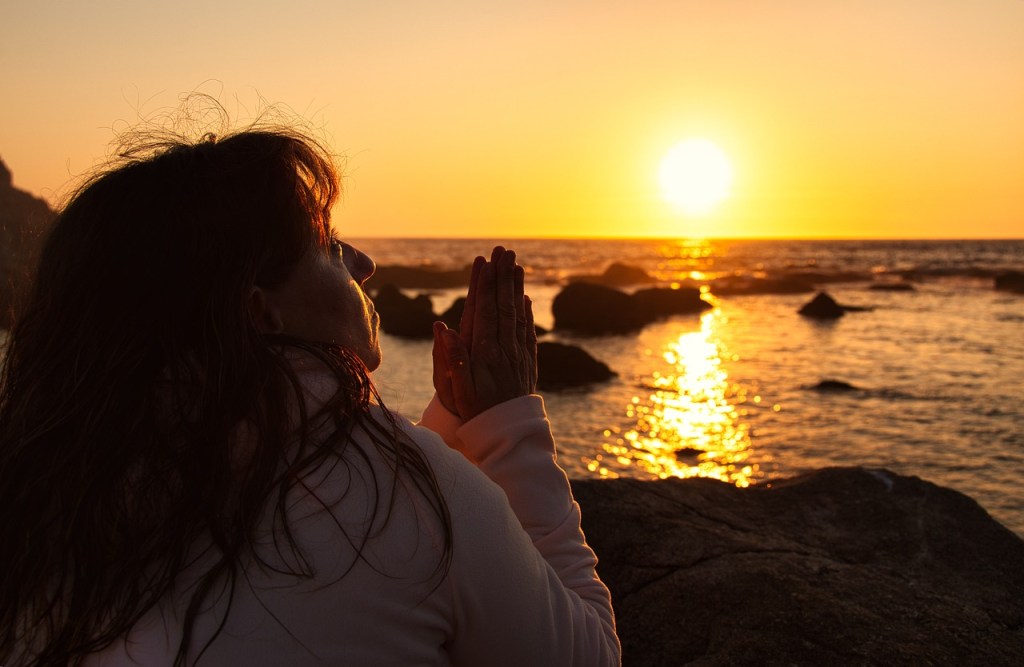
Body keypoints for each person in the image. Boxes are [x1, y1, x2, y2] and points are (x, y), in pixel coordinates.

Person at [0, 127, 620, 666]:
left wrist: (452, 420)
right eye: (327, 244)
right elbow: (587, 655)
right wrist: (508, 429)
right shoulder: (412, 495)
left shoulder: (48, 492)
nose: (365, 262)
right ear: (257, 312)